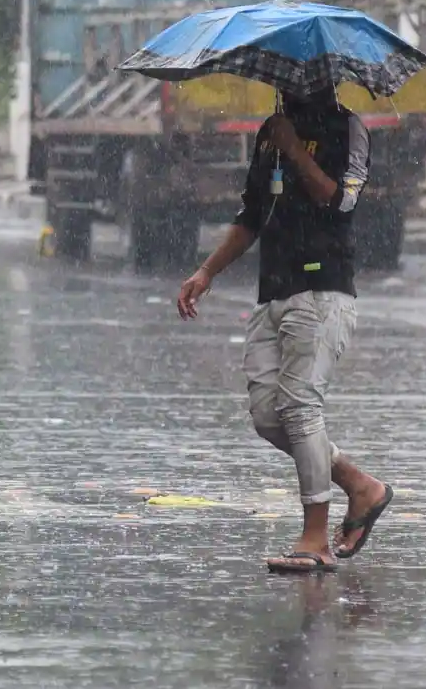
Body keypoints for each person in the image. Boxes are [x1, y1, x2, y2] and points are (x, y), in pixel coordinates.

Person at [176, 89, 393, 575]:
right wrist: (207, 272)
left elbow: (340, 200)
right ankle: (361, 486)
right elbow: (253, 215)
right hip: (273, 290)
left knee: (299, 407)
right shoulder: (269, 134)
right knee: (268, 418)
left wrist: (296, 148)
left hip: (321, 290)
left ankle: (314, 537)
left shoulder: (347, 127)